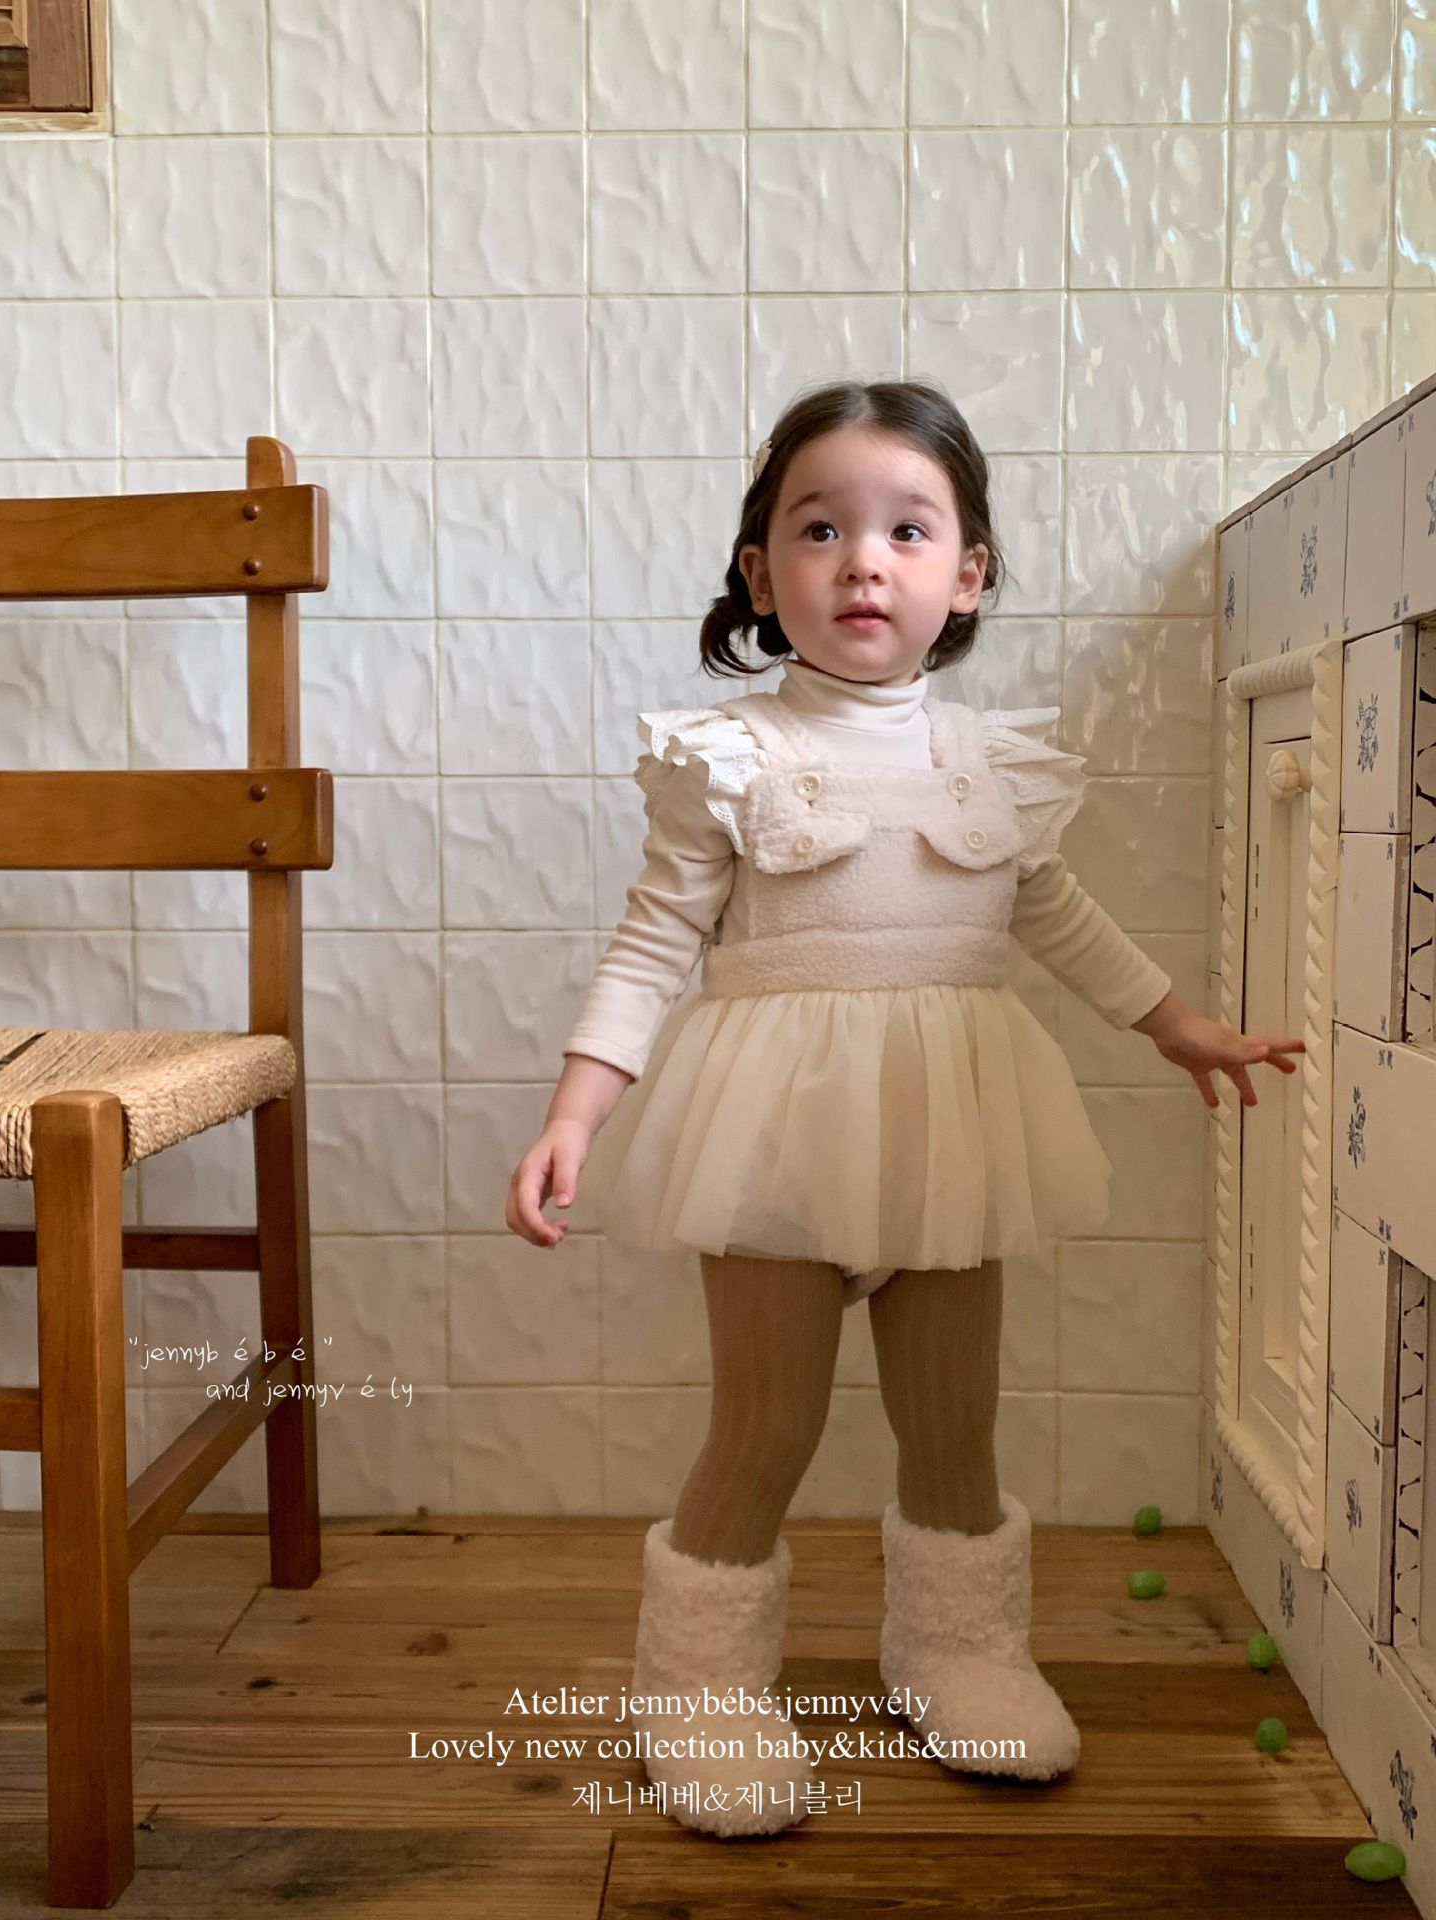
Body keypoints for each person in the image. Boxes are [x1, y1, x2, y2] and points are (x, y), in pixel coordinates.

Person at [506, 378, 1304, 1839]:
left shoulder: (987, 765)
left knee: (956, 1424)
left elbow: (1057, 918)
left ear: (968, 576)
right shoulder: (733, 760)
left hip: (950, 1132)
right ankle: (700, 1689)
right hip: (774, 1144)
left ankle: (959, 1650)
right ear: (762, 575)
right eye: (820, 529)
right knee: (768, 1425)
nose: (863, 561)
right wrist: (577, 1111)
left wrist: (1176, 1025)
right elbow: (653, 942)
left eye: (907, 531)